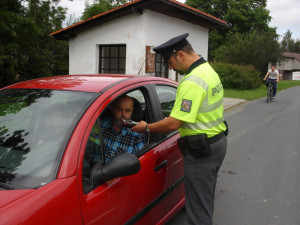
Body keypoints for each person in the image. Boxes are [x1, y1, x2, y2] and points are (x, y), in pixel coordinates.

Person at [132, 33, 228, 225]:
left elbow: (174, 123)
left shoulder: (193, 80)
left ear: (181, 55)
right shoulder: (208, 70)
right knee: (204, 200)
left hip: (201, 153)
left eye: (169, 61)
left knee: (198, 212)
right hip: (217, 142)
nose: (169, 67)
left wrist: (147, 127)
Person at [101, 95, 147, 162]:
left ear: (132, 111)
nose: (123, 114)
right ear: (112, 109)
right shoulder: (102, 124)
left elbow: (139, 165)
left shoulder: (138, 136)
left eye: (128, 111)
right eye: (120, 109)